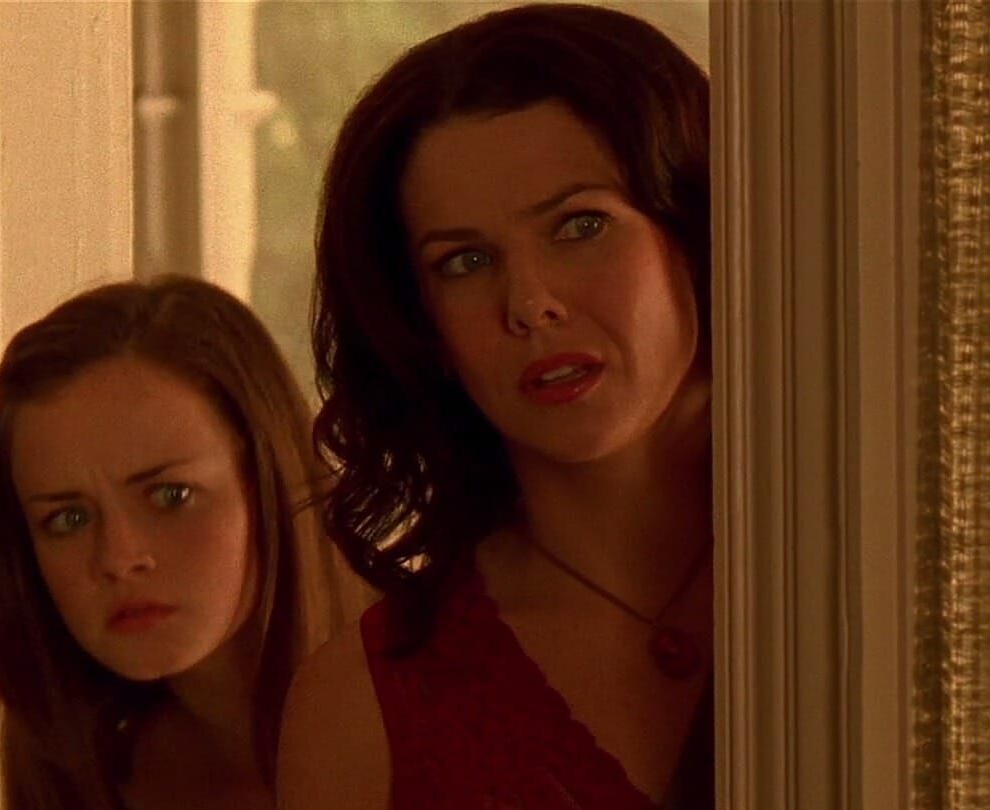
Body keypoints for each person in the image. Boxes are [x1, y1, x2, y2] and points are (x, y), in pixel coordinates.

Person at [277, 4, 713, 808]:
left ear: (690, 229)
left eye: (580, 225)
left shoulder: (885, 568)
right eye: (465, 261)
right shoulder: (363, 711)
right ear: (421, 323)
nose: (530, 304)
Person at [0, 276, 364, 810]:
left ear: (269, 480)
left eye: (170, 496)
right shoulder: (89, 771)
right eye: (68, 520)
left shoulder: (441, 697)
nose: (118, 558)